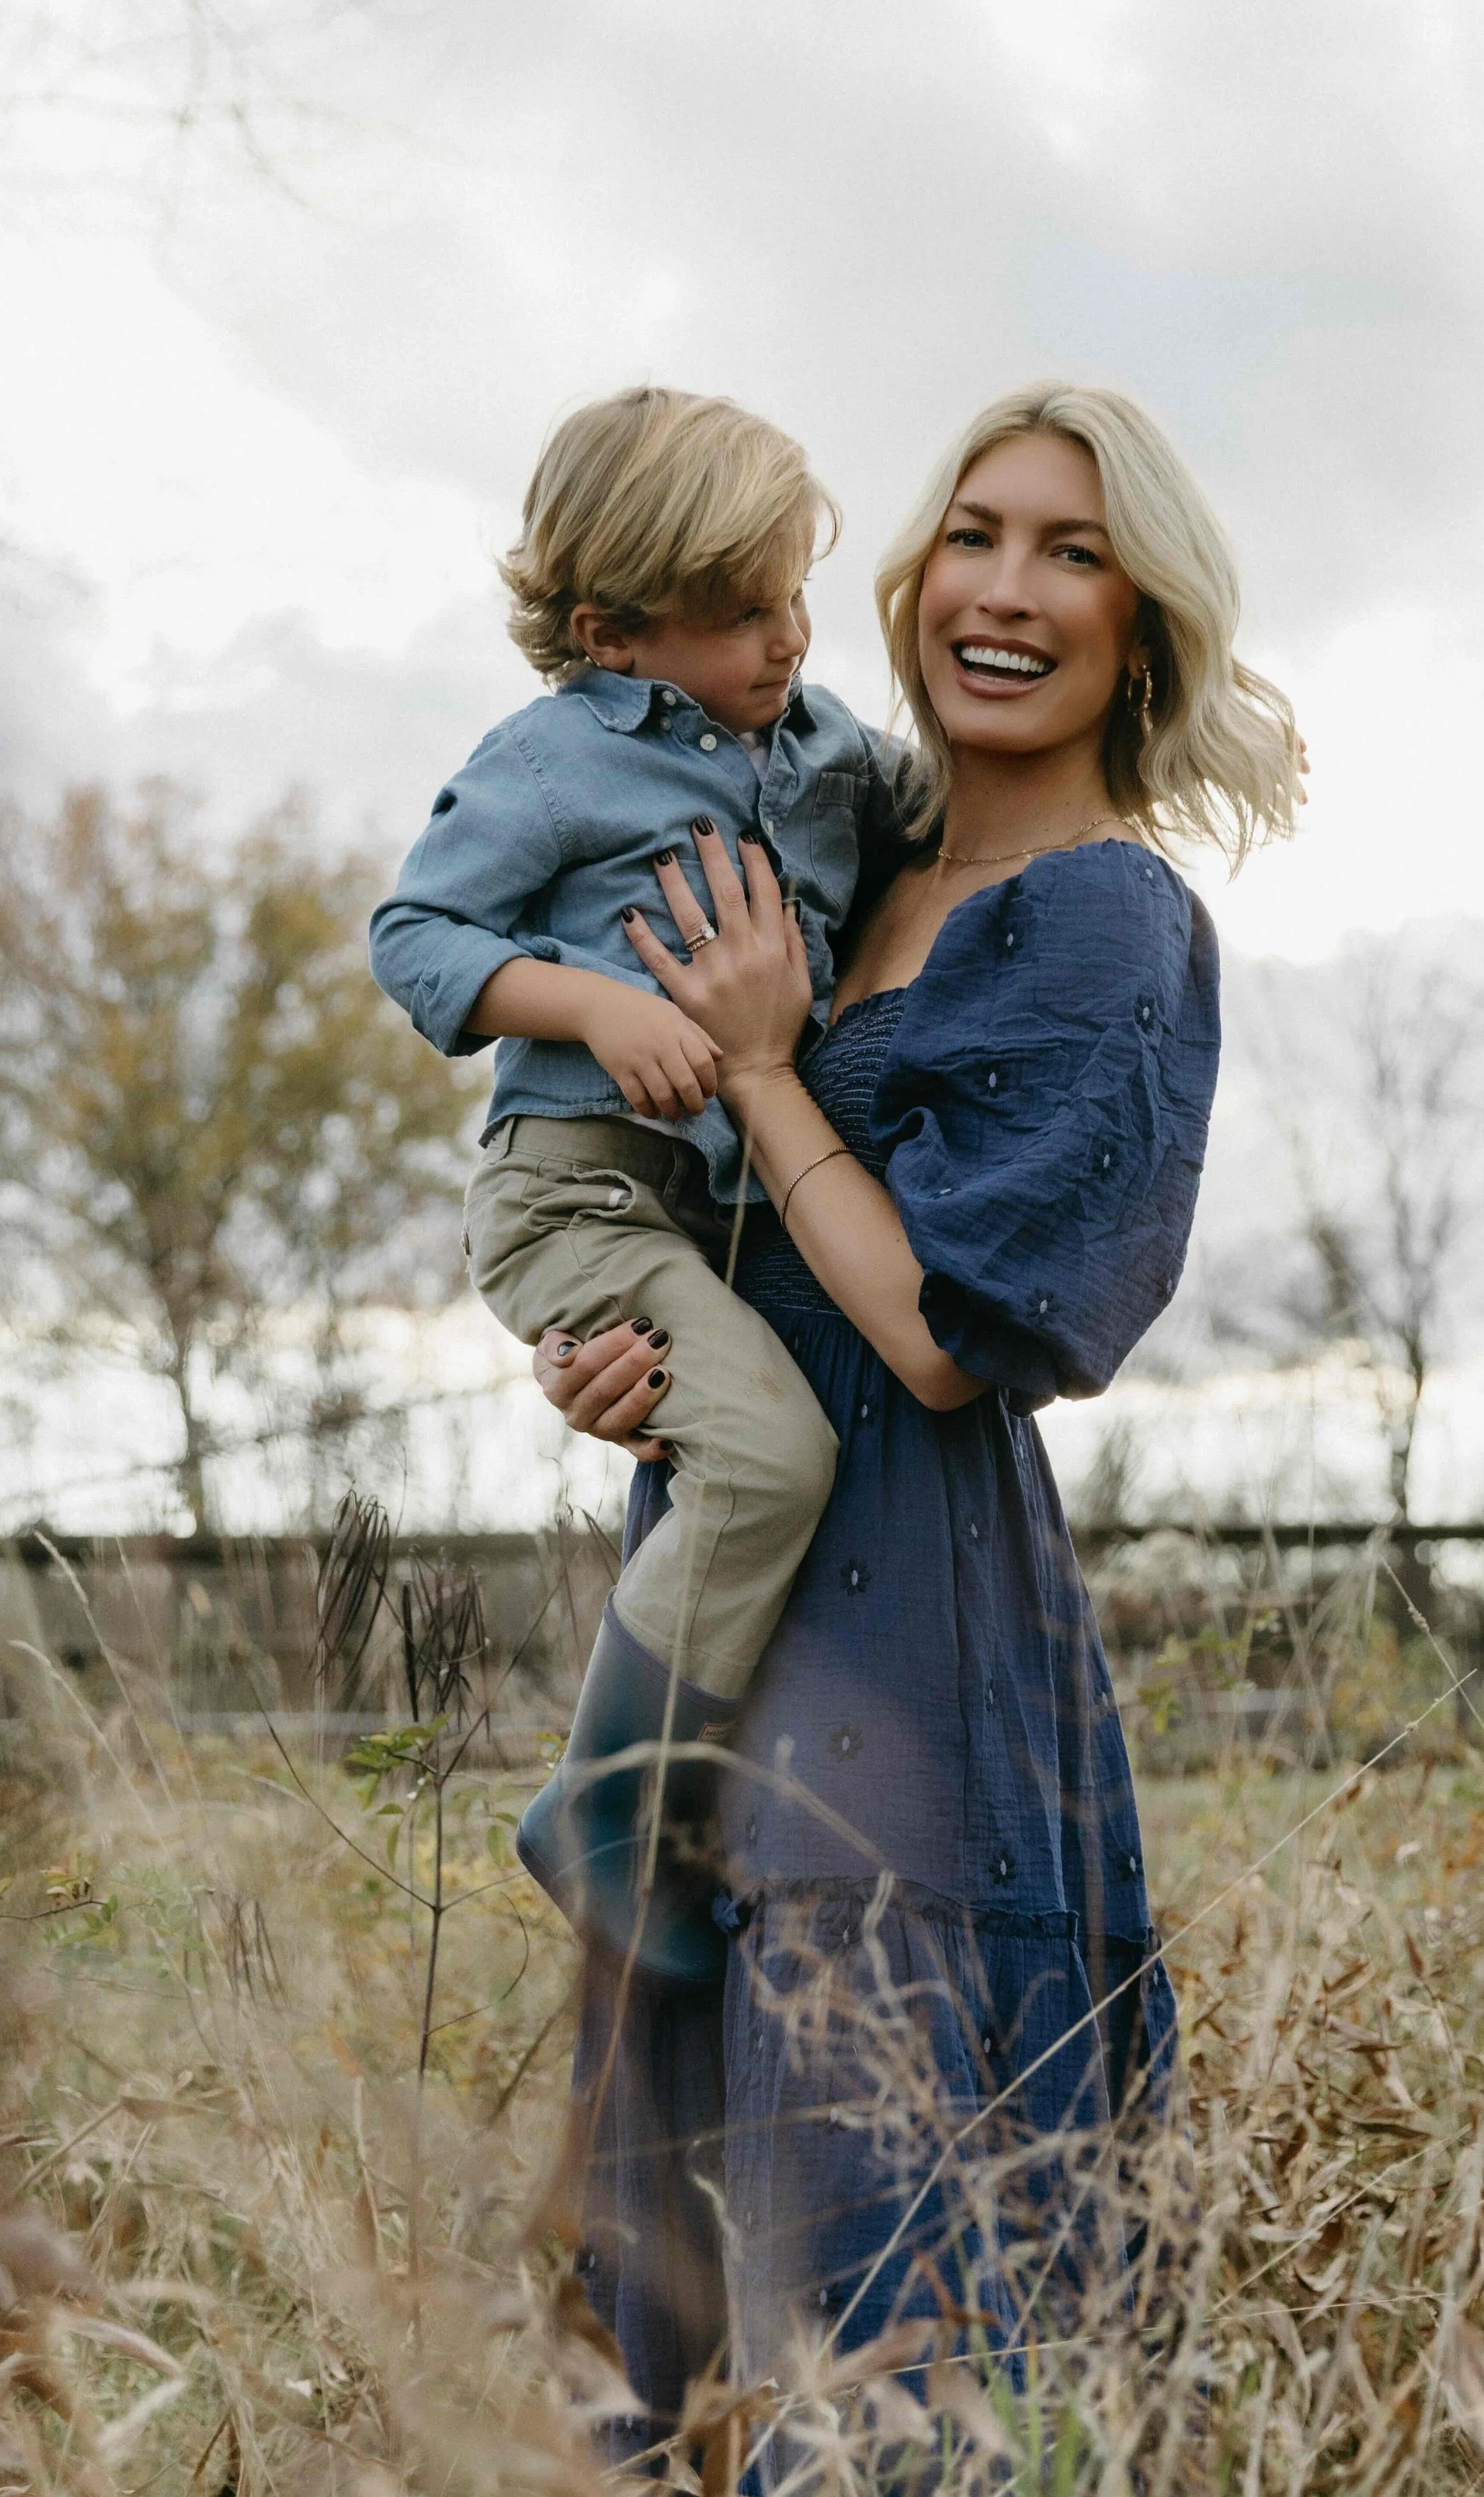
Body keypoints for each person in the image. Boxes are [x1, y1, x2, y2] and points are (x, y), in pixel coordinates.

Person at [537, 383, 1300, 2456]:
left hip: (906, 1597)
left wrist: (776, 1073)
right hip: (723, 1553)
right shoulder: (849, 851)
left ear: (1140, 629)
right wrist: (622, 1348)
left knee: (858, 2157)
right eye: (976, 531)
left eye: (1073, 553)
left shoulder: (1109, 919)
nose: (1007, 588)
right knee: (656, 2145)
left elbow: (950, 1332)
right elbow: (742, 1235)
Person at [370, 388, 902, 1981]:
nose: (789, 636)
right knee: (765, 1465)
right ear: (609, 632)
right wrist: (595, 1001)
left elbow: (952, 819)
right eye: (740, 612)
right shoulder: (551, 762)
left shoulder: (821, 751)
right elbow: (415, 937)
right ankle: (600, 1813)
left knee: (759, 1459)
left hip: (711, 1211)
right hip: (574, 1189)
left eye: (796, 593)